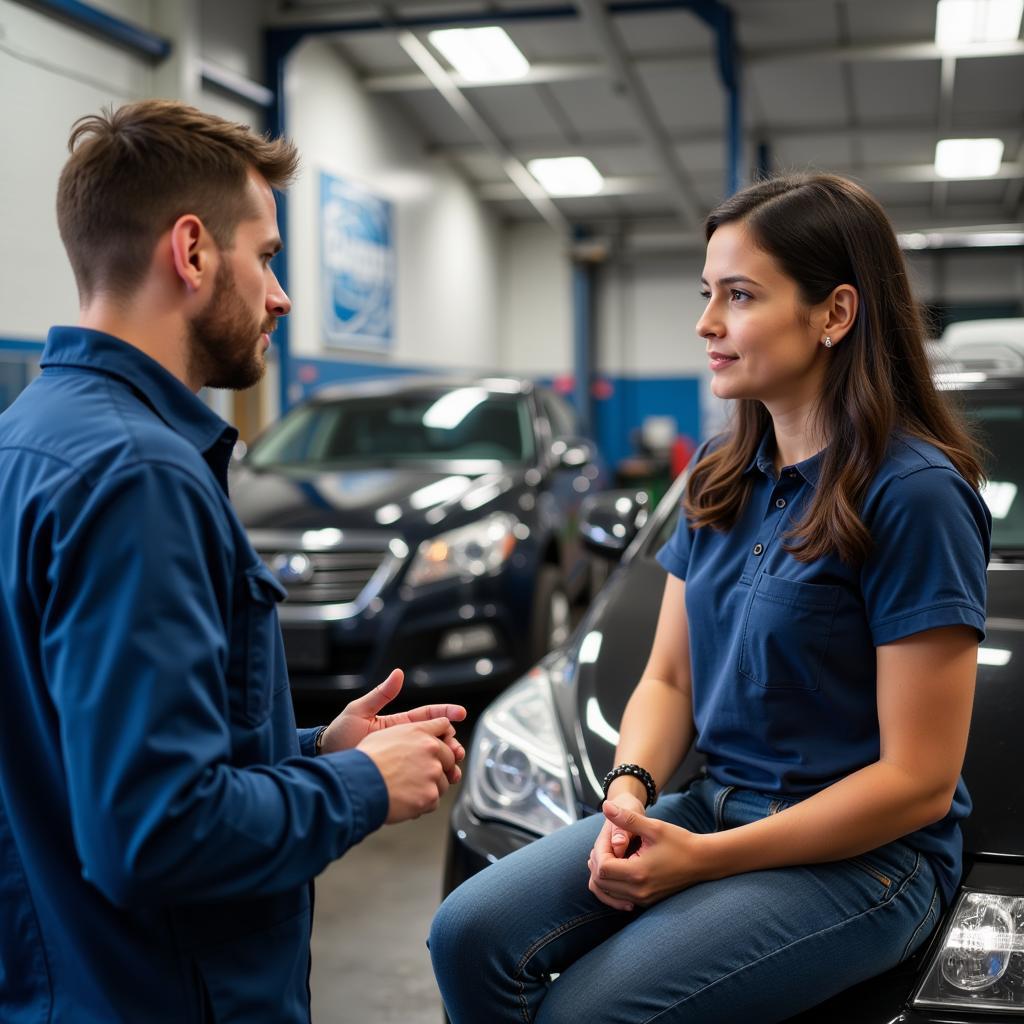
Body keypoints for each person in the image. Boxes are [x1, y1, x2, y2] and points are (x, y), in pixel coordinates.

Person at [429, 173, 991, 1023]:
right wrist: (629, 791)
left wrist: (703, 861)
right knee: (467, 934)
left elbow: (917, 782)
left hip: (868, 860)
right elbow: (669, 682)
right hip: (710, 808)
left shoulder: (915, 495)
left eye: (740, 295)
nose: (706, 324)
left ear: (835, 314)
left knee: (586, 1014)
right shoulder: (719, 477)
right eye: (707, 294)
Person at [0, 100, 466, 1024]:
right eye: (269, 257)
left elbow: (79, 752)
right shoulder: (138, 474)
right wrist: (358, 787)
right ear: (194, 251)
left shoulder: (27, 441)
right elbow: (154, 832)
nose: (282, 297)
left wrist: (305, 750)